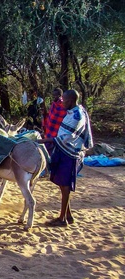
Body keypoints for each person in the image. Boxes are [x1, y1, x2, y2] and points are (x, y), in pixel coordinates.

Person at [37, 90, 93, 227]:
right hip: (64, 150)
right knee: (62, 184)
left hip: (71, 152)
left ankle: (62, 219)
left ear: (71, 101)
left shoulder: (77, 116)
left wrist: (44, 141)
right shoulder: (72, 112)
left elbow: (66, 137)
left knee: (65, 184)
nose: (62, 104)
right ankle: (68, 215)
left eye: (64, 101)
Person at [44, 88, 66, 154]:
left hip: (57, 131)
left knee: (54, 149)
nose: (54, 97)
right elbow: (51, 115)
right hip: (50, 130)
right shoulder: (54, 104)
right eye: (53, 95)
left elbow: (62, 117)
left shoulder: (63, 105)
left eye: (55, 95)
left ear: (60, 95)